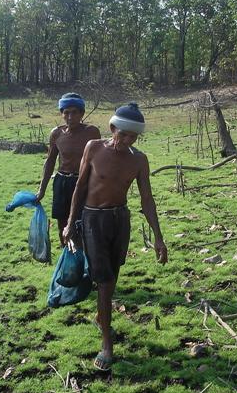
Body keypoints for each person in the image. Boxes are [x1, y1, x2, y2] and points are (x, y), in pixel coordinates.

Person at [63, 102, 168, 371]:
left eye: (133, 137)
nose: (126, 141)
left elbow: (147, 199)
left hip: (120, 220)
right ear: (112, 128)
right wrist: (69, 224)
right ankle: (107, 344)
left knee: (112, 275)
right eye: (122, 134)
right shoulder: (94, 148)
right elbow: (80, 186)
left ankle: (101, 314)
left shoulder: (138, 160)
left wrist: (158, 237)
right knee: (105, 281)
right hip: (92, 219)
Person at [36, 93, 101, 247]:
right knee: (62, 223)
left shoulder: (91, 132)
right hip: (62, 182)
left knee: (84, 221)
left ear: (82, 114)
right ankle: (67, 254)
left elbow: (99, 160)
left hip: (84, 182)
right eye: (66, 112)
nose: (70, 117)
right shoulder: (56, 133)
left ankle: (85, 256)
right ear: (62, 114)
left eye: (74, 112)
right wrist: (41, 190)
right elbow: (50, 161)